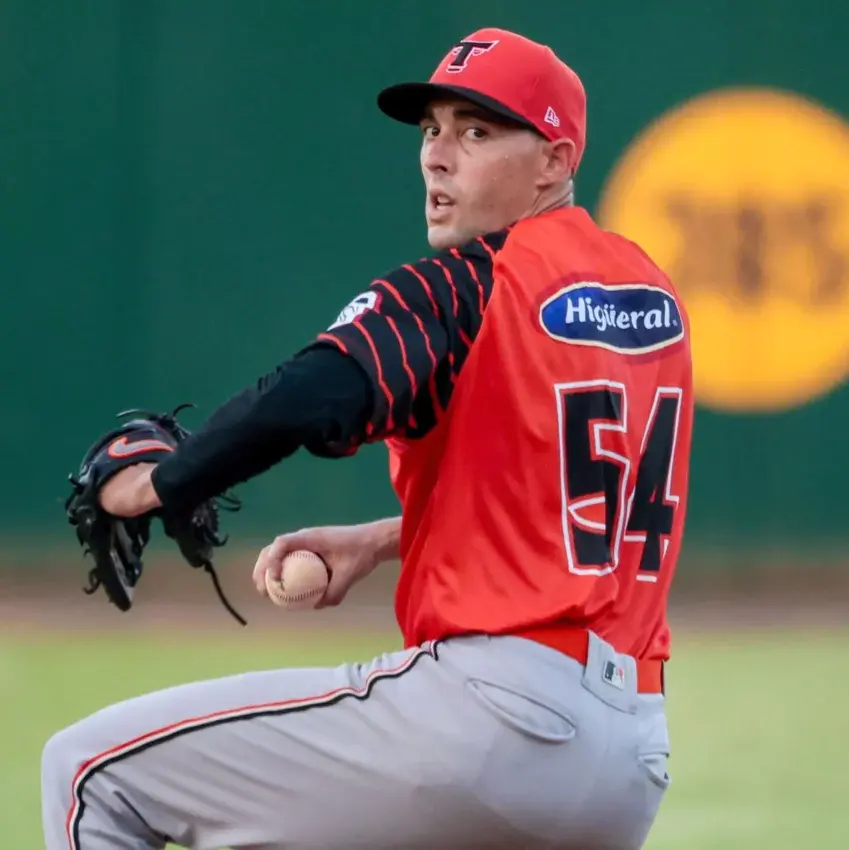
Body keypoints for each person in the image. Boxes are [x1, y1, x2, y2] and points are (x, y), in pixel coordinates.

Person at [42, 26, 693, 850]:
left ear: (555, 161)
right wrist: (393, 539)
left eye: (478, 131)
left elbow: (309, 396)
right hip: (628, 752)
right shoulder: (646, 292)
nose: (437, 157)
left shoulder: (469, 284)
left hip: (492, 721)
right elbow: (583, 499)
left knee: (90, 774)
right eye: (432, 129)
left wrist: (157, 483)